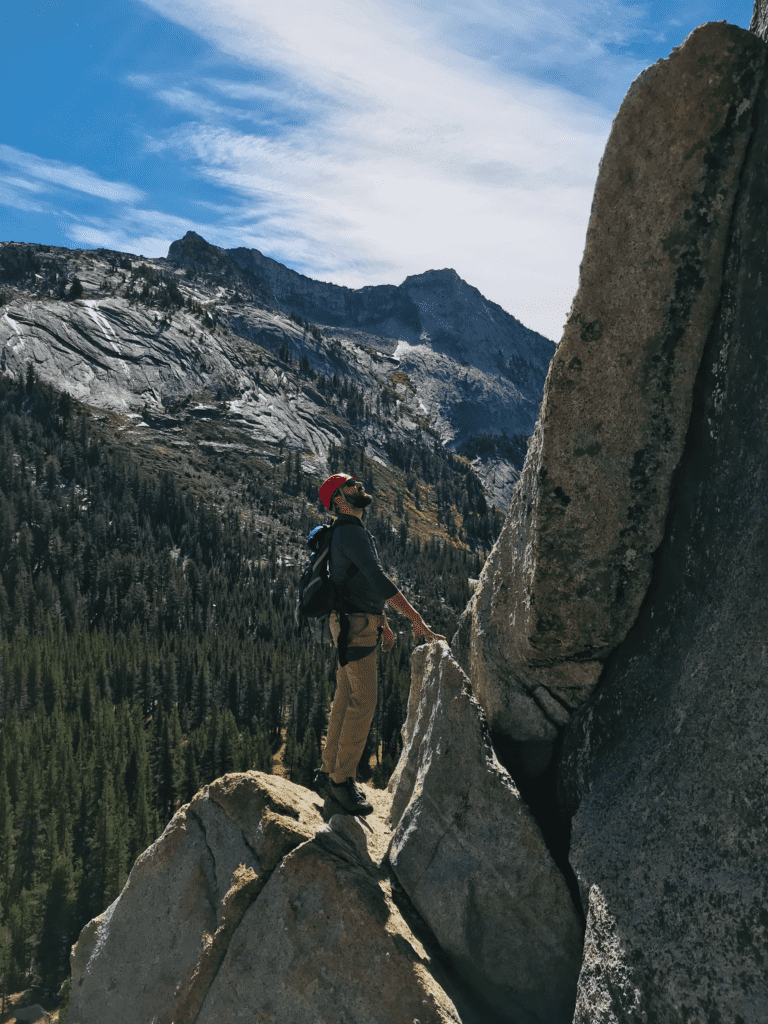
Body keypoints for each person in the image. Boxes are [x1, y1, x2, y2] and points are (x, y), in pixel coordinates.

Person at [314, 472, 445, 815]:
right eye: (351, 485)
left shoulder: (349, 532)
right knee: (364, 701)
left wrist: (383, 621)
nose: (359, 486)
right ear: (339, 500)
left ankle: (327, 771)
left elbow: (358, 582)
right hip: (354, 625)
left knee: (345, 696)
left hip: (355, 621)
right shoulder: (350, 533)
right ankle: (341, 784)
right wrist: (416, 619)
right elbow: (377, 578)